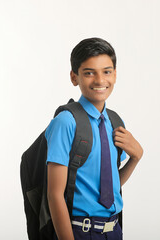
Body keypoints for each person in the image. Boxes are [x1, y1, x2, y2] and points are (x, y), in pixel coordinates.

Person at [45, 37, 143, 240]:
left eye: (106, 71)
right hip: (78, 231)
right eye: (89, 73)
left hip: (113, 230)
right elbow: (55, 194)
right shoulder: (66, 122)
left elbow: (109, 185)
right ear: (74, 77)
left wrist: (135, 158)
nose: (100, 80)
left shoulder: (115, 122)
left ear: (115, 75)